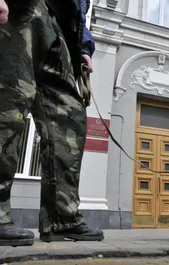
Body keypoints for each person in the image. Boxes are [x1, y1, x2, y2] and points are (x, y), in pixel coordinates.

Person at [0, 0, 103, 246]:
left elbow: (81, 9)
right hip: (22, 9)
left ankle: (62, 218)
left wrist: (84, 47)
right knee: (9, 106)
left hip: (61, 31)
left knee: (70, 118)